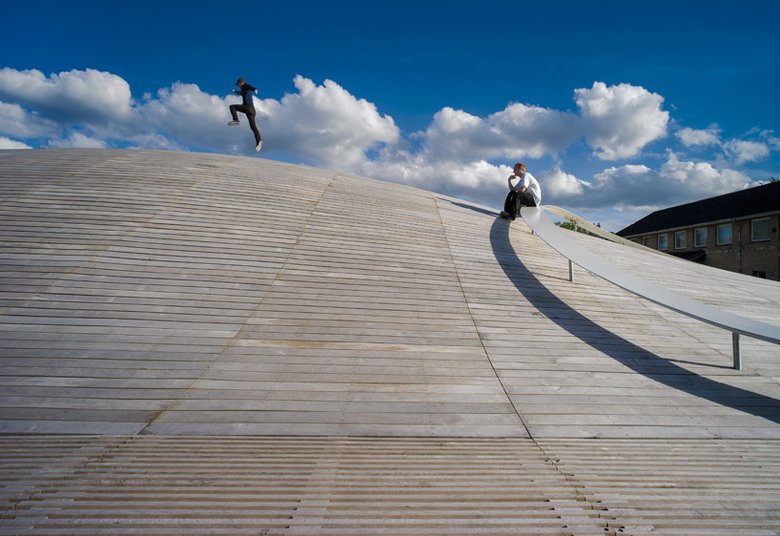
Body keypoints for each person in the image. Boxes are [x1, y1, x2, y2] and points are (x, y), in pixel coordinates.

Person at [227, 78, 262, 151]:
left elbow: (249, 86)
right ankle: (259, 142)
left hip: (247, 107)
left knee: (232, 107)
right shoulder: (244, 90)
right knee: (253, 126)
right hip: (252, 110)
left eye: (238, 85)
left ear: (241, 82)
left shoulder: (245, 86)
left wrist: (254, 89)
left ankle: (236, 120)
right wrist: (235, 91)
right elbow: (241, 93)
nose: (238, 86)